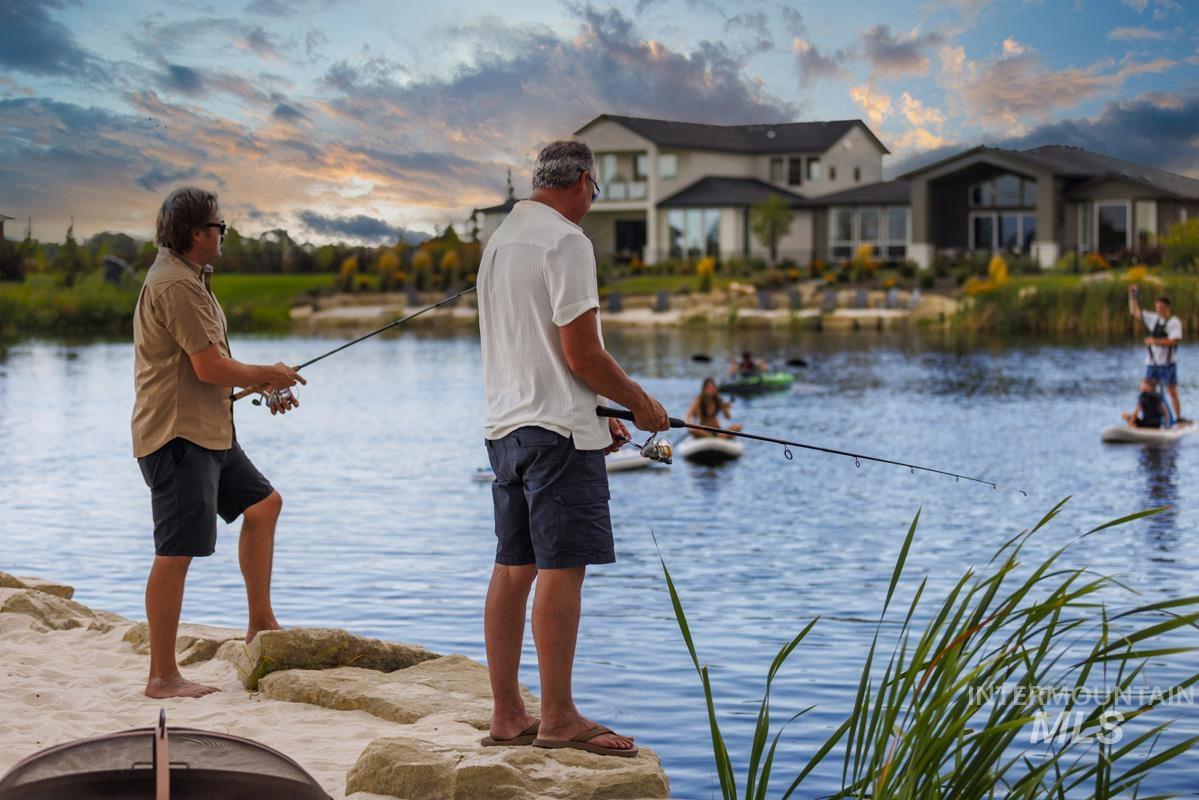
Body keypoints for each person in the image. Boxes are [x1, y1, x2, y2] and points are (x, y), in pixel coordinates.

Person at [476, 140, 669, 757]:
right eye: (595, 190)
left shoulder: (500, 242)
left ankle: (507, 713)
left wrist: (599, 414)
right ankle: (557, 718)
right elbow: (581, 354)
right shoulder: (567, 240)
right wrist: (639, 403)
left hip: (505, 429)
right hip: (556, 435)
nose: (592, 200)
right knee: (562, 570)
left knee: (512, 569)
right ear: (583, 181)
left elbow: (535, 349)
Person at [132, 187, 305, 699]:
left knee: (264, 505)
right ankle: (162, 677)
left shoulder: (190, 278)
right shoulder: (175, 285)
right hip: (178, 437)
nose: (224, 235)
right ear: (196, 233)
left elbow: (199, 369)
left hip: (209, 432)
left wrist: (264, 385)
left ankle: (260, 622)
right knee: (176, 551)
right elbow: (208, 367)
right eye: (219, 227)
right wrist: (269, 371)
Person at [1128, 286, 1185, 423]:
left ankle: (1178, 418)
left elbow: (1174, 341)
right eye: (1157, 307)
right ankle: (1144, 418)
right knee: (1146, 391)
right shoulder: (1153, 319)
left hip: (1167, 363)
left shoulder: (1174, 322)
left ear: (1168, 308)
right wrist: (1132, 296)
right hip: (1152, 363)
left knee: (1172, 391)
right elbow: (1134, 311)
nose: (1159, 310)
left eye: (1161, 308)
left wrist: (1154, 341)